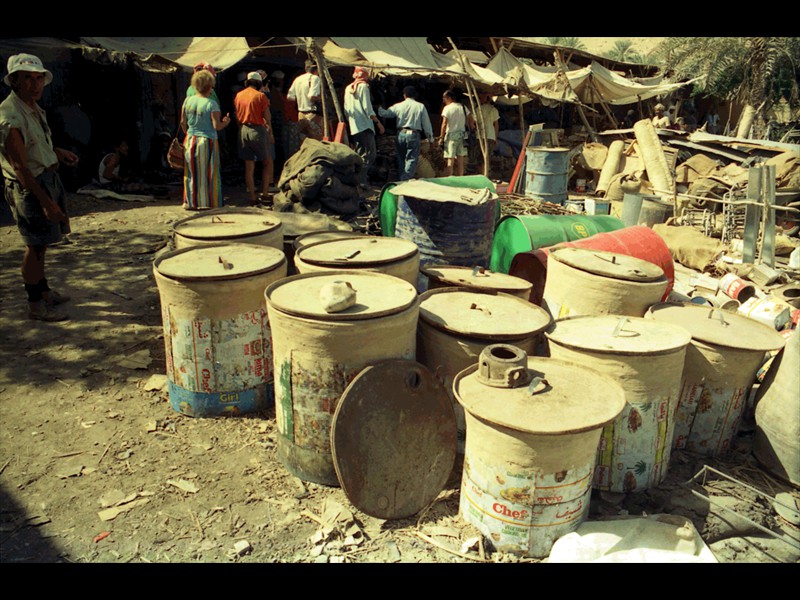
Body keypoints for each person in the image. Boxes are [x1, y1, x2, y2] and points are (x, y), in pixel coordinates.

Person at [0, 53, 79, 321]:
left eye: (38, 78)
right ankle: (35, 304)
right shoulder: (10, 116)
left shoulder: (32, 107)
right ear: (14, 81)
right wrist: (48, 204)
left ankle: (44, 291)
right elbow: (21, 167)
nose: (35, 85)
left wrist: (56, 152)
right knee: (34, 246)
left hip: (44, 178)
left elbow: (34, 146)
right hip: (29, 187)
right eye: (28, 79)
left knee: (42, 244)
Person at [180, 68, 231, 210]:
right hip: (207, 141)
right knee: (208, 173)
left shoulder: (187, 101)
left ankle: (190, 202)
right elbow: (217, 126)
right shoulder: (211, 104)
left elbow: (182, 123)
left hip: (190, 139)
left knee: (190, 172)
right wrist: (226, 122)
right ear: (209, 86)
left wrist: (189, 133)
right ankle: (207, 202)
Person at [377, 85, 435, 181]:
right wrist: (431, 139)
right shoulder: (420, 106)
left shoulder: (398, 106)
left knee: (401, 159)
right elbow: (426, 125)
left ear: (404, 95)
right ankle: (405, 179)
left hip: (401, 134)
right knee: (411, 159)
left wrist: (378, 107)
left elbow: (384, 113)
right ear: (415, 95)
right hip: (413, 134)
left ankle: (402, 180)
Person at [233, 71, 273, 205]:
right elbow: (267, 117)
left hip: (243, 130)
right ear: (258, 83)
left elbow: (237, 116)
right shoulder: (261, 96)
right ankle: (265, 193)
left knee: (249, 165)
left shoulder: (238, 95)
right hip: (258, 129)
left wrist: (241, 129)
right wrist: (270, 134)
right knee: (267, 162)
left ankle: (252, 196)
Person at [343, 66, 384, 189]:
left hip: (354, 126)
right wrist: (378, 123)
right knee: (369, 155)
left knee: (360, 154)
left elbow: (346, 110)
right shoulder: (363, 87)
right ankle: (359, 182)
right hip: (365, 126)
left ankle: (356, 180)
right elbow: (368, 108)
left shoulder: (348, 88)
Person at [439, 89, 474, 177]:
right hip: (462, 135)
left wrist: (441, 137)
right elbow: (470, 118)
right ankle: (460, 177)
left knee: (450, 159)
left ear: (449, 98)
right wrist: (472, 128)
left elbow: (444, 124)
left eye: (444, 98)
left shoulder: (447, 108)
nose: (443, 100)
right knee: (460, 159)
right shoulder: (463, 107)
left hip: (451, 135)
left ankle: (449, 178)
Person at [287, 60, 323, 141]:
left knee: (304, 142)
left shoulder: (298, 79)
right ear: (316, 69)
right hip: (312, 114)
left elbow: (290, 97)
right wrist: (321, 98)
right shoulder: (315, 78)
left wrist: (301, 100)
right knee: (316, 141)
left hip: (301, 115)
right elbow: (312, 96)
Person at [476, 92, 499, 177]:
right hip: (491, 136)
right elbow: (496, 125)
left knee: (480, 157)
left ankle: (481, 174)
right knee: (487, 157)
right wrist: (496, 137)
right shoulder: (494, 110)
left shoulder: (478, 109)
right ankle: (485, 174)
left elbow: (474, 121)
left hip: (480, 136)